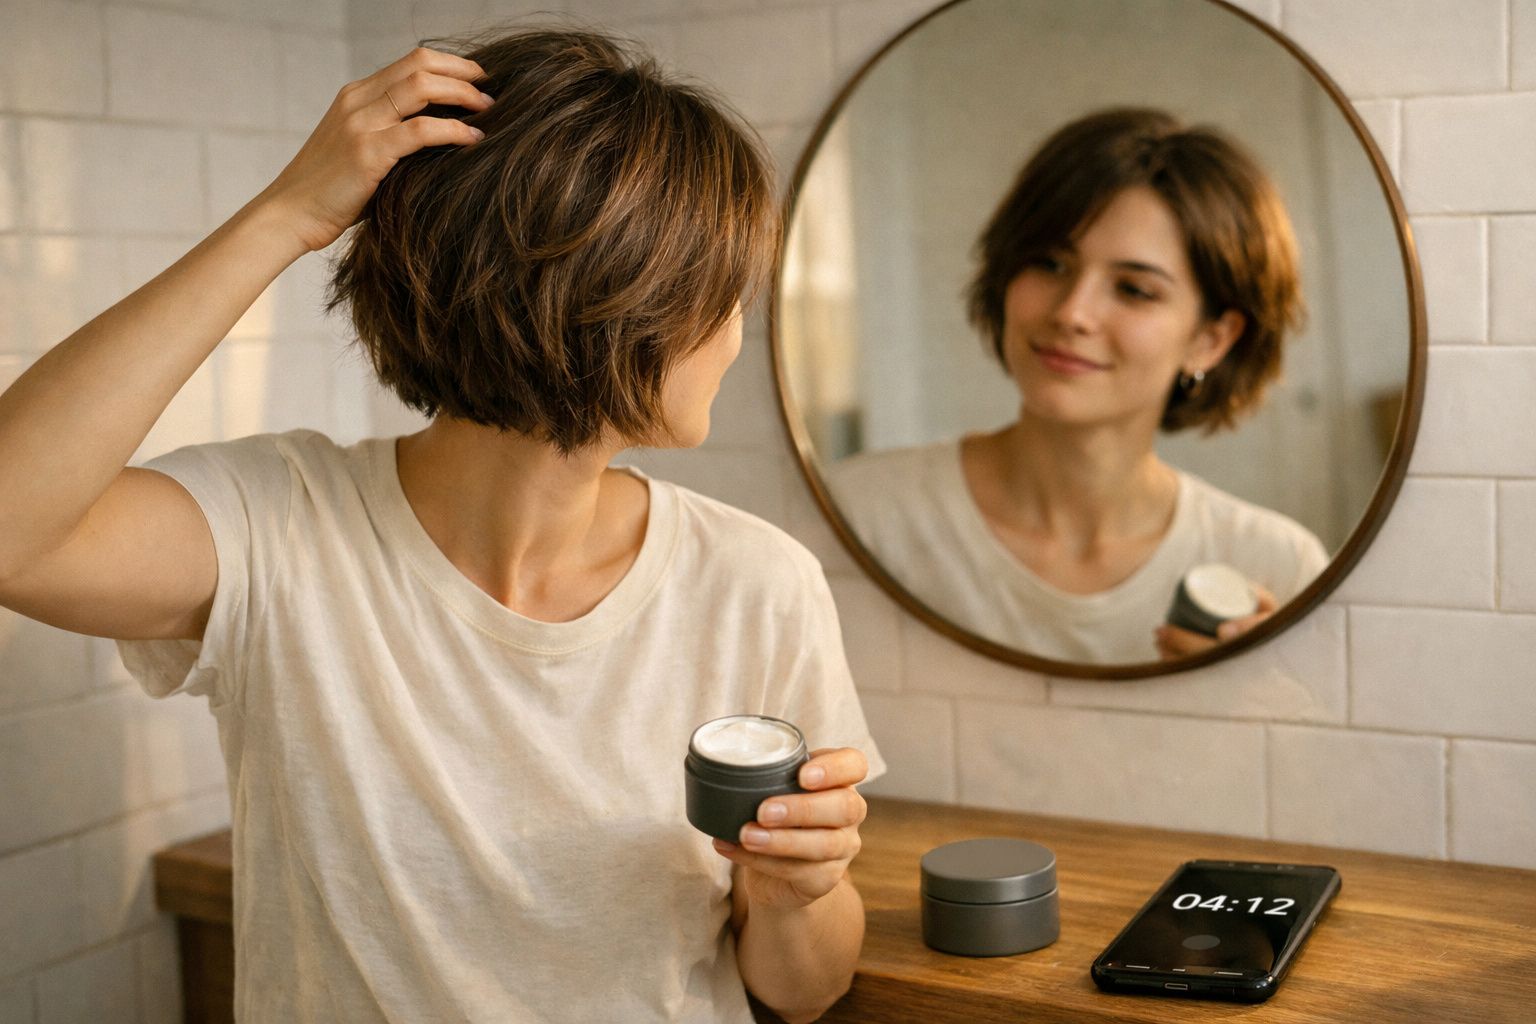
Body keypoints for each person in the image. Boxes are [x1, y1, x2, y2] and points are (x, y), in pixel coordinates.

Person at [0, 29, 882, 1023]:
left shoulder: (756, 582)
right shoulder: (276, 529)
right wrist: (287, 214)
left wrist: (795, 893)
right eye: (721, 294)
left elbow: (805, 991)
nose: (735, 333)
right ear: (611, 301)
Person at [828, 107, 1327, 664]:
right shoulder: (857, 515)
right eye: (1049, 263)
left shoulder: (1277, 567)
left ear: (1210, 339)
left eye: (1134, 289)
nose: (1072, 312)